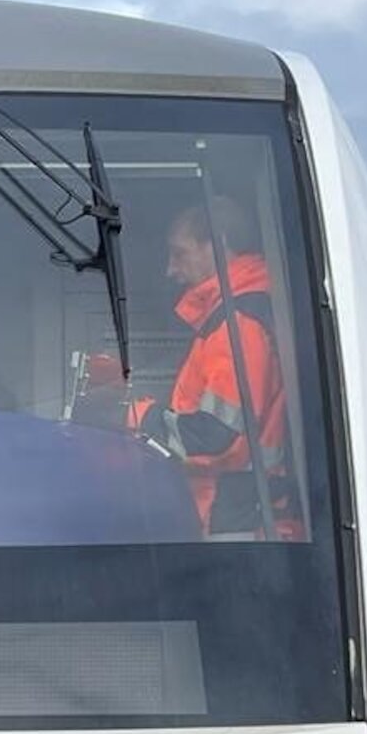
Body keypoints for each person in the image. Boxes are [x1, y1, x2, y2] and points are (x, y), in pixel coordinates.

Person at [101, 198, 293, 535]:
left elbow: (215, 435)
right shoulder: (236, 317)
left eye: (180, 253)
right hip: (238, 508)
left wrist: (132, 415)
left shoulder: (239, 324)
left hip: (238, 519)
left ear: (217, 246)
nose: (170, 270)